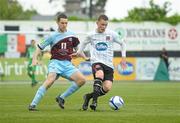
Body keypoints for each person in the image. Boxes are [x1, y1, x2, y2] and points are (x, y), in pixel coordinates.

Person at [28, 13, 86, 111]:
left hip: (67, 64)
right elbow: (39, 48)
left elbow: (78, 50)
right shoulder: (52, 36)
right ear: (57, 22)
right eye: (62, 23)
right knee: (49, 81)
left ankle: (61, 97)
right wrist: (34, 59)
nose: (64, 25)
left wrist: (84, 57)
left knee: (82, 80)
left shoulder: (72, 34)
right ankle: (33, 104)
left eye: (66, 23)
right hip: (55, 63)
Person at [73, 14, 126, 111]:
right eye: (102, 24)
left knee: (107, 87)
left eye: (106, 25)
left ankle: (88, 97)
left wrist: (123, 58)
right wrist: (77, 54)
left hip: (109, 64)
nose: (104, 27)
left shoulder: (112, 34)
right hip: (96, 62)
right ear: (97, 23)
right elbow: (82, 46)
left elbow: (123, 44)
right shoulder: (90, 35)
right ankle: (94, 102)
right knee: (100, 74)